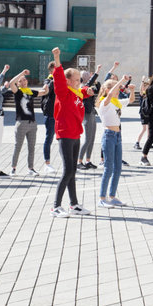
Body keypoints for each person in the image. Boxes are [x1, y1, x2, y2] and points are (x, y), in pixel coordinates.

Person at [49, 47, 93, 218]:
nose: (78, 82)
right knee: (68, 171)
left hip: (75, 135)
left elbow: (81, 93)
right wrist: (57, 57)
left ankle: (74, 205)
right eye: (76, 80)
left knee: (73, 171)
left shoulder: (76, 93)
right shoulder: (62, 91)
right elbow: (58, 77)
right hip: (65, 134)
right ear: (68, 80)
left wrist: (87, 91)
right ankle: (55, 206)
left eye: (79, 80)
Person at [96, 74, 134, 208]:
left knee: (118, 167)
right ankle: (102, 198)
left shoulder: (116, 103)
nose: (118, 91)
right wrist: (122, 81)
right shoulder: (104, 103)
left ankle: (112, 196)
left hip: (118, 136)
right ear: (107, 90)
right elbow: (111, 93)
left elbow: (131, 100)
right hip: (109, 135)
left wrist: (132, 90)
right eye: (116, 89)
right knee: (108, 168)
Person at [8, 70, 39, 176]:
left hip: (32, 123)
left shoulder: (30, 92)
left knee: (32, 147)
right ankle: (13, 168)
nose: (24, 81)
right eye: (21, 80)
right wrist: (21, 73)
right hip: (21, 123)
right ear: (18, 83)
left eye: (25, 79)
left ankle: (31, 168)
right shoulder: (18, 92)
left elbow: (43, 92)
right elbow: (11, 83)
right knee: (18, 146)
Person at [39, 61, 58, 173]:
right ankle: (47, 163)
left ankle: (68, 162)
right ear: (52, 71)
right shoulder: (48, 80)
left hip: (60, 114)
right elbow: (47, 89)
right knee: (49, 138)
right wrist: (55, 79)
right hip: (51, 115)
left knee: (63, 139)